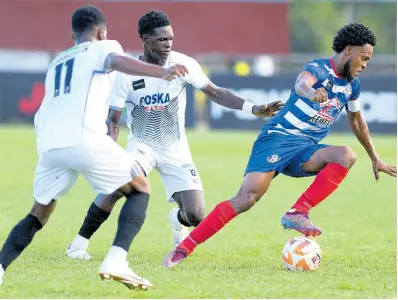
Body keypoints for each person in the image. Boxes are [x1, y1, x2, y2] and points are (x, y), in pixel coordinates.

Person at [162, 23, 397, 268]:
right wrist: (309, 93)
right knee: (246, 198)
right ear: (348, 50)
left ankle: (298, 212)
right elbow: (302, 84)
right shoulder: (317, 68)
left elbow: (356, 120)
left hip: (305, 149)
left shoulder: (352, 85)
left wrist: (374, 156)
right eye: (364, 58)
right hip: (277, 139)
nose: (365, 64)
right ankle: (183, 248)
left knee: (345, 155)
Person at [65, 10, 283, 260]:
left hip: (175, 149)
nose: (168, 44)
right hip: (142, 147)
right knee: (117, 186)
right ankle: (78, 245)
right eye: (161, 40)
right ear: (145, 39)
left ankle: (176, 218)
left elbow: (214, 91)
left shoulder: (183, 64)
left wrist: (252, 108)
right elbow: (113, 121)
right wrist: (109, 153)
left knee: (196, 215)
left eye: (170, 39)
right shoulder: (126, 73)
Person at [0, 5, 189, 290]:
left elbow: (44, 111)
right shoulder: (104, 46)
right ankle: (116, 259)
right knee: (140, 188)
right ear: (101, 31)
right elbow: (116, 60)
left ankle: (1, 267)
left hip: (49, 146)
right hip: (85, 139)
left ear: (73, 34)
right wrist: (160, 73)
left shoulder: (57, 61)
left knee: (37, 215)